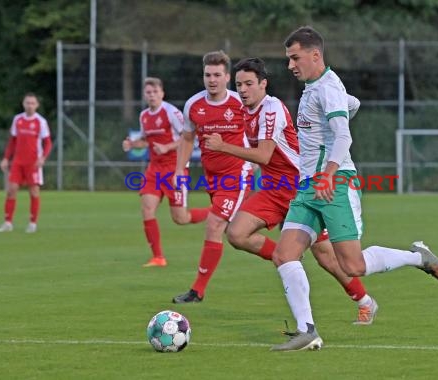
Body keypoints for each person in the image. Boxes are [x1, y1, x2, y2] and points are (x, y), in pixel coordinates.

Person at [270, 26, 438, 351]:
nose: (290, 65)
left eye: (295, 57)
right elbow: (351, 103)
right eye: (288, 59)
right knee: (284, 255)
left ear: (315, 55)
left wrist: (328, 173)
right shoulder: (319, 88)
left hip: (334, 184)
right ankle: (306, 330)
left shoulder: (326, 88)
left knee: (353, 266)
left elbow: (344, 137)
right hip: (308, 187)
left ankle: (417, 257)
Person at [204, 57, 378, 325]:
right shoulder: (243, 110)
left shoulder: (271, 108)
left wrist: (222, 147)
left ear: (263, 84)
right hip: (274, 188)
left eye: (249, 83)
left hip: (300, 186)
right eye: (239, 84)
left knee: (327, 258)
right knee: (237, 234)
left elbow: (263, 155)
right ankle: (288, 256)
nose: (243, 89)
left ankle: (365, 302)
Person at [171, 51, 253, 303]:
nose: (212, 80)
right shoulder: (193, 105)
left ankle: (197, 291)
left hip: (237, 174)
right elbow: (186, 138)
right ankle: (282, 255)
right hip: (212, 178)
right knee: (237, 236)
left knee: (215, 225)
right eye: (208, 75)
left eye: (217, 75)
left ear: (227, 77)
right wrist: (178, 170)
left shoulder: (240, 103)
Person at [122, 77, 210, 267]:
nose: (152, 95)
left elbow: (189, 137)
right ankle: (158, 257)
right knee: (147, 209)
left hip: (174, 169)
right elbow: (146, 141)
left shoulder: (172, 112)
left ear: (162, 93)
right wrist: (132, 144)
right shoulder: (144, 115)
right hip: (154, 169)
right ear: (145, 95)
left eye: (155, 92)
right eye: (148, 92)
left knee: (181, 218)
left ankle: (216, 213)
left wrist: (168, 147)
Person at [0, 93, 52, 233]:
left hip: (33, 163)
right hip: (18, 162)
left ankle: (33, 223)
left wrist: (43, 158)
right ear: (23, 104)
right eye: (27, 103)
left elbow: (48, 143)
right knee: (11, 190)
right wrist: (6, 158)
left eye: (33, 103)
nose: (30, 105)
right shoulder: (18, 119)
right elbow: (12, 141)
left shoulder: (41, 122)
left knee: (33, 192)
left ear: (37, 105)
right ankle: (8, 223)